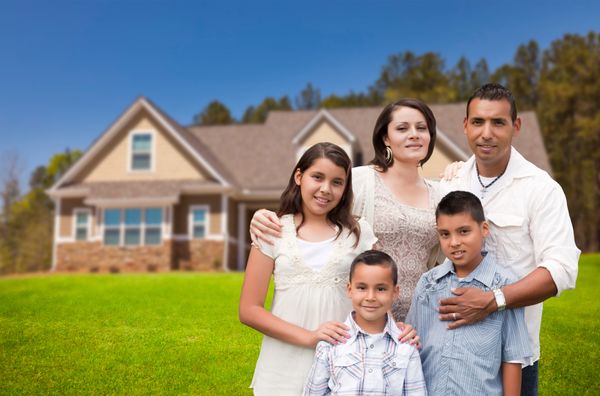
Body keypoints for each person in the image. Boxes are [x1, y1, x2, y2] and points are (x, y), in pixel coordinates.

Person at [438, 83, 580, 395]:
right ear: (465, 126)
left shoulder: (541, 189)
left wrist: (493, 301)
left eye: (498, 122)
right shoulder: (449, 183)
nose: (486, 133)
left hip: (513, 356)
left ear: (516, 126)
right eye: (477, 122)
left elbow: (561, 270)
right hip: (453, 351)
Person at [250, 98, 443, 322]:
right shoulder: (360, 180)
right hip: (361, 316)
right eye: (402, 128)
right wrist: (262, 216)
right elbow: (315, 204)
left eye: (422, 128)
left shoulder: (441, 193)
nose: (414, 134)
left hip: (421, 316)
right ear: (385, 138)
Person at [239, 142, 378, 395]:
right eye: (317, 177)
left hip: (342, 363)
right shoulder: (272, 230)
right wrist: (310, 337)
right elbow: (249, 310)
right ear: (299, 176)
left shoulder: (359, 233)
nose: (326, 189)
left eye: (337, 182)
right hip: (282, 366)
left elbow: (377, 294)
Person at [406, 191, 531, 395]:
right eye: (445, 234)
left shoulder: (505, 285)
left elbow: (512, 358)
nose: (454, 242)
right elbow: (411, 344)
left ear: (484, 229)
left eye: (464, 231)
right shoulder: (428, 283)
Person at [303, 250, 427, 396]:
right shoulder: (331, 342)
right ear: (349, 289)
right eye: (362, 288)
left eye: (380, 289)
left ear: (395, 292)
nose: (370, 297)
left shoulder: (406, 346)